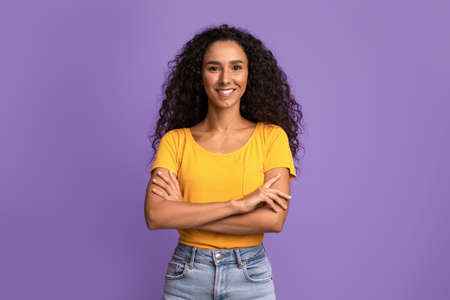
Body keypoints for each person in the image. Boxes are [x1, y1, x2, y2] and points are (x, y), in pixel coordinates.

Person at [145, 24, 304, 299]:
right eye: (214, 68)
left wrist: (184, 212)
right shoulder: (175, 141)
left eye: (236, 67)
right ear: (200, 75)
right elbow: (156, 216)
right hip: (187, 275)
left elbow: (273, 219)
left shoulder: (271, 138)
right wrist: (237, 205)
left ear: (249, 74)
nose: (225, 79)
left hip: (249, 275)